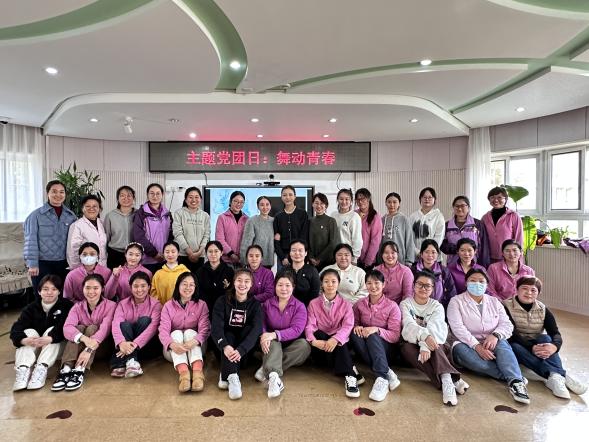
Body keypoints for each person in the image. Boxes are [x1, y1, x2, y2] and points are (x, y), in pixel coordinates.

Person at [447, 269, 530, 404]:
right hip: (465, 343)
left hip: (492, 340)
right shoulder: (456, 301)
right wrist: (477, 346)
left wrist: (495, 335)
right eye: (473, 281)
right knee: (473, 360)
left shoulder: (494, 301)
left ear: (487, 284)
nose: (477, 284)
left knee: (502, 344)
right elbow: (457, 328)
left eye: (481, 281)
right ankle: (514, 377)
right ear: (466, 283)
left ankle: (516, 383)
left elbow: (507, 324)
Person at [503, 276, 587, 399]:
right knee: (514, 346)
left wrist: (554, 347)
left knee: (546, 339)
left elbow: (555, 333)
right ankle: (559, 375)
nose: (529, 293)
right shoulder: (506, 305)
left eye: (533, 290)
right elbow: (511, 333)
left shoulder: (542, 308)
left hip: (536, 342)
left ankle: (556, 376)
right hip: (517, 342)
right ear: (517, 289)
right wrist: (532, 347)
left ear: (538, 293)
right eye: (524, 288)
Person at [400, 271, 468, 406]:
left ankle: (446, 380)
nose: (423, 288)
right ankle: (449, 378)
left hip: (436, 343)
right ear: (413, 285)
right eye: (420, 284)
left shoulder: (437, 306)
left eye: (427, 286)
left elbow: (436, 329)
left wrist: (425, 345)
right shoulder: (405, 304)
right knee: (406, 348)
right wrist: (425, 338)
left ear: (433, 289)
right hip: (413, 342)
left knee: (435, 344)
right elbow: (408, 326)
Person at [52, 274, 116, 392]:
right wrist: (84, 339)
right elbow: (67, 327)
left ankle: (79, 369)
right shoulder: (77, 306)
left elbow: (105, 329)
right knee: (79, 328)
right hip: (83, 345)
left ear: (102, 289)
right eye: (87, 288)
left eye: (95, 288)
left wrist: (88, 350)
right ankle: (66, 369)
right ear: (82, 289)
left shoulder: (111, 305)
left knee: (92, 328)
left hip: (101, 348)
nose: (91, 292)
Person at [10, 275, 73, 391]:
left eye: (54, 289)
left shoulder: (67, 305)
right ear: (39, 291)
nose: (49, 292)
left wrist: (51, 338)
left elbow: (66, 327)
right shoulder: (31, 308)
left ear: (59, 291)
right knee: (28, 332)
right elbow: (16, 329)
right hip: (35, 348)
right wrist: (23, 340)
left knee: (51, 331)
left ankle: (41, 369)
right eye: (45, 289)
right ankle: (23, 369)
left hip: (56, 348)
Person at [256, 272, 311, 398]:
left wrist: (275, 334)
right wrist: (264, 335)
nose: (284, 288)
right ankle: (274, 377)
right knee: (273, 343)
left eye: (287, 285)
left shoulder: (299, 306)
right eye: (280, 285)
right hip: (272, 343)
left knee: (304, 346)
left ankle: (266, 367)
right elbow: (261, 323)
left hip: (291, 342)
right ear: (275, 286)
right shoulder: (267, 304)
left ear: (293, 287)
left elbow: (297, 329)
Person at [305, 269, 358, 398]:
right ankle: (349, 366)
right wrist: (313, 341)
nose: (330, 285)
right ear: (321, 284)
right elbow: (310, 325)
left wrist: (335, 339)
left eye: (333, 281)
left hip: (337, 344)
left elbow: (348, 326)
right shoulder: (313, 303)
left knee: (341, 341)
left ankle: (350, 376)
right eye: (326, 281)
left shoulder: (346, 304)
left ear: (338, 283)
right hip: (321, 346)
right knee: (319, 334)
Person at [212, 269, 263, 400]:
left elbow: (256, 330)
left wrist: (241, 350)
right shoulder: (222, 301)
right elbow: (216, 327)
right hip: (224, 349)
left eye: (246, 281)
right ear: (234, 282)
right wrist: (224, 346)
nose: (242, 284)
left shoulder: (255, 305)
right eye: (239, 280)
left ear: (251, 284)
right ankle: (232, 377)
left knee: (248, 329)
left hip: (243, 353)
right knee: (228, 334)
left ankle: (225, 372)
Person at [351, 270, 401, 402]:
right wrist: (357, 327)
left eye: (377, 283)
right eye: (369, 283)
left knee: (373, 336)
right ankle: (386, 372)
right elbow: (354, 323)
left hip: (386, 348)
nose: (373, 286)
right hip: (367, 348)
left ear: (383, 284)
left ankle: (382, 378)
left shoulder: (392, 306)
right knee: (354, 333)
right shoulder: (359, 304)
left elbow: (395, 336)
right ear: (365, 285)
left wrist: (377, 330)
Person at [159, 272, 210, 393]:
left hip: (196, 348)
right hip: (173, 350)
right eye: (184, 284)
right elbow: (163, 330)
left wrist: (195, 341)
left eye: (191, 285)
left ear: (195, 287)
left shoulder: (201, 305)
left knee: (190, 332)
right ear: (178, 286)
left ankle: (197, 373)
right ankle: (184, 375)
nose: (188, 287)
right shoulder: (168, 306)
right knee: (175, 333)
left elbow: (205, 328)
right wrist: (172, 344)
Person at [24, 180, 77, 291]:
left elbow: (74, 241)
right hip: (42, 263)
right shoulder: (35, 216)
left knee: (63, 294)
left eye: (61, 192)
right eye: (54, 191)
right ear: (47, 193)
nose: (58, 195)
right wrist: (32, 264)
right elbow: (30, 241)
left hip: (64, 263)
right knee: (42, 295)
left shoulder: (71, 216)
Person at [110, 271, 162, 378]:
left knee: (145, 320)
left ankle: (122, 362)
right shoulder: (122, 304)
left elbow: (153, 328)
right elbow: (115, 324)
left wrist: (134, 344)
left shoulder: (156, 304)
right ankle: (132, 362)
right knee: (124, 325)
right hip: (125, 346)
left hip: (146, 347)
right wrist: (121, 343)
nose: (139, 290)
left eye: (143, 286)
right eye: (136, 286)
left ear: (149, 287)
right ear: (130, 287)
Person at [132, 183, 173, 274]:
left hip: (164, 259)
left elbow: (171, 235)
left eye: (158, 193)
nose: (155, 196)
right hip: (147, 260)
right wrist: (154, 254)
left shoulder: (167, 214)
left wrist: (167, 252)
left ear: (162, 195)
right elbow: (139, 237)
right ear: (147, 195)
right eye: (152, 193)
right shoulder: (141, 213)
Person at [441, 196, 490, 268]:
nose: (459, 209)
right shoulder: (447, 225)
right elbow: (442, 245)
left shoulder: (477, 224)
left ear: (468, 208)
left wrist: (484, 266)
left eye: (462, 206)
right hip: (453, 265)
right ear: (453, 208)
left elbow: (484, 246)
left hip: (474, 264)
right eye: (457, 206)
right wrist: (458, 249)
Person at [172, 187, 210, 273]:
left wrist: (200, 252)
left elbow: (206, 235)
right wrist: (189, 252)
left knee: (198, 280)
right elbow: (177, 233)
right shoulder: (179, 213)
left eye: (196, 197)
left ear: (201, 199)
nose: (193, 200)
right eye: (190, 197)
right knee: (183, 280)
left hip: (200, 256)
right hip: (182, 255)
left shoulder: (205, 216)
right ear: (185, 199)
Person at [481, 187, 523, 264]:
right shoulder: (485, 217)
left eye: (499, 197)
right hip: (489, 257)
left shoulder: (513, 216)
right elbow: (482, 238)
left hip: (509, 257)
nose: (496, 200)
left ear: (505, 199)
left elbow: (518, 238)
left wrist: (518, 258)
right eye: (492, 197)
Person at [410, 239, 456, 309]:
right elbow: (409, 290)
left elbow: (451, 291)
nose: (430, 255)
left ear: (437, 254)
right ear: (421, 254)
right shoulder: (413, 270)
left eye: (433, 252)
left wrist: (445, 307)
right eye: (427, 252)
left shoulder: (444, 271)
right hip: (416, 307)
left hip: (438, 307)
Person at [66, 195, 108, 269]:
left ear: (99, 209)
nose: (91, 208)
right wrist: (76, 269)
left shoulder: (102, 223)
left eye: (95, 206)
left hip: (102, 266)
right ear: (83, 209)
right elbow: (72, 251)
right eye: (88, 206)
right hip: (85, 268)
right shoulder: (77, 225)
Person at [274, 185, 309, 269]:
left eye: (290, 194)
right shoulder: (278, 216)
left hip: (298, 255)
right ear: (281, 197)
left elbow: (304, 236)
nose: (287, 197)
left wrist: (295, 253)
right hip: (283, 257)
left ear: (295, 196)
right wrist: (283, 257)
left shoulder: (302, 214)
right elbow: (276, 240)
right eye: (284, 195)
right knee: (282, 277)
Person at [195, 240, 235, 315]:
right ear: (206, 253)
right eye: (210, 251)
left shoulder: (229, 271)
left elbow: (232, 291)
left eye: (216, 251)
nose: (213, 254)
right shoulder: (200, 271)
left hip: (224, 309)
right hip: (205, 310)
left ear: (221, 253)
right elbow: (198, 292)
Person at [103, 185, 136, 269]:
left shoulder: (139, 214)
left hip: (134, 254)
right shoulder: (110, 215)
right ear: (117, 199)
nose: (126, 198)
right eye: (122, 195)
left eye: (129, 195)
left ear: (133, 198)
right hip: (115, 254)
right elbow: (106, 237)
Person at [409, 187, 445, 258]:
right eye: (424, 197)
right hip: (416, 256)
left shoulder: (438, 216)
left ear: (434, 199)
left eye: (430, 197)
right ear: (420, 199)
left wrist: (429, 253)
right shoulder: (413, 216)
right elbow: (409, 237)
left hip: (432, 257)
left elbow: (439, 237)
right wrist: (417, 252)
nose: (427, 199)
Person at [374, 241, 414, 305]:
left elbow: (408, 295)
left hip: (399, 307)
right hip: (378, 306)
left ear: (397, 254)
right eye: (386, 253)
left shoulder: (406, 271)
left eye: (393, 253)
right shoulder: (376, 270)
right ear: (382, 255)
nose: (390, 256)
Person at [308, 192, 340, 271]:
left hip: (327, 262)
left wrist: (320, 258)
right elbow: (306, 241)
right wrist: (311, 257)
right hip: (312, 262)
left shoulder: (331, 221)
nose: (319, 206)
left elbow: (333, 242)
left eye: (322, 203)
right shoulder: (309, 221)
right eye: (316, 203)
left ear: (326, 205)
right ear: (312, 204)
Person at [215, 190, 248, 267]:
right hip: (226, 260)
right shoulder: (222, 218)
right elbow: (219, 239)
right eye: (235, 201)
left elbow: (248, 240)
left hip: (241, 261)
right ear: (230, 202)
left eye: (241, 202)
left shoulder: (247, 219)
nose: (238, 204)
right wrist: (231, 254)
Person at [240, 196, 274, 268]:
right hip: (254, 261)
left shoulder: (274, 221)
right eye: (262, 205)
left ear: (270, 206)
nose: (265, 207)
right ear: (258, 206)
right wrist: (244, 261)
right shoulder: (252, 221)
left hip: (269, 261)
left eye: (267, 204)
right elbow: (246, 242)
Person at [283, 240, 321, 306]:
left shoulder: (312, 271)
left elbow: (315, 296)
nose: (297, 253)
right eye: (294, 250)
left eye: (300, 250)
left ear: (306, 253)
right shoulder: (283, 271)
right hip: (286, 308)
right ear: (290, 253)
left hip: (307, 308)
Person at [381, 192, 415, 265]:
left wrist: (409, 261)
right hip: (384, 260)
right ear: (386, 203)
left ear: (399, 203)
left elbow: (409, 241)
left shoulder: (404, 219)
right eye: (389, 202)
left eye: (394, 202)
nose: (392, 205)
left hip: (400, 260)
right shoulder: (382, 220)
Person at [331, 189, 362, 263]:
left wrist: (354, 257)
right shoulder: (333, 215)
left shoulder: (354, 216)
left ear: (351, 201)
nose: (344, 202)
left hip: (348, 256)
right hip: (335, 255)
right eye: (341, 199)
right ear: (337, 200)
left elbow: (357, 239)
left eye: (347, 199)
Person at [355, 188, 383, 270]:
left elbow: (376, 240)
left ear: (368, 199)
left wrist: (368, 261)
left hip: (367, 260)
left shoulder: (375, 216)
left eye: (363, 199)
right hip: (354, 258)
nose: (360, 202)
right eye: (358, 199)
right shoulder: (354, 214)